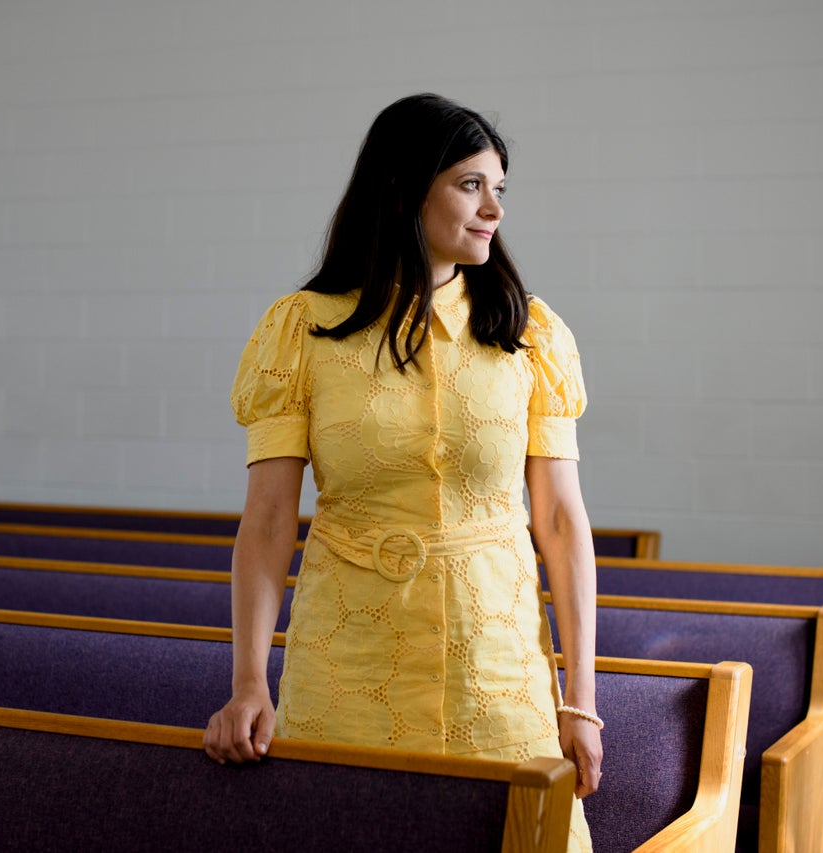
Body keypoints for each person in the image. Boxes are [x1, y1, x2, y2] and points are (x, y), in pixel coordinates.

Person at [203, 92, 601, 851]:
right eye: (471, 185)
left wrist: (579, 701)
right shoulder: (303, 331)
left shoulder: (531, 336)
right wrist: (249, 681)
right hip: (346, 658)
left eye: (500, 190)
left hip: (497, 661)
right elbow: (267, 522)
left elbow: (559, 520)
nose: (494, 210)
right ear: (401, 186)